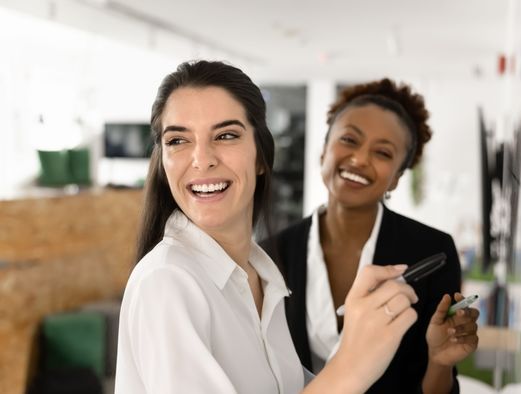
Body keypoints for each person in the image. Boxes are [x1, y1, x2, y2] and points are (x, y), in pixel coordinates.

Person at [114, 60, 420, 394]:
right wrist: (352, 364)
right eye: (177, 141)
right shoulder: (168, 281)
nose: (202, 159)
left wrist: (360, 334)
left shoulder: (261, 276)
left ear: (261, 157)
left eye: (226, 135)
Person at [262, 79, 479, 393]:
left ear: (396, 179)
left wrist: (440, 360)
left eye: (382, 153)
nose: (360, 159)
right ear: (324, 151)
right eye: (349, 140)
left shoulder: (432, 251)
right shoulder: (272, 253)